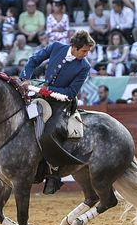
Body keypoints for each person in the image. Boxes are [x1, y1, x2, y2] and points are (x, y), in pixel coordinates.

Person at [20, 30, 95, 194]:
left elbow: (70, 93)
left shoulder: (84, 66)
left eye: (88, 51)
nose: (86, 54)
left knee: (50, 132)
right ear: (74, 47)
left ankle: (53, 174)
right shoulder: (56, 47)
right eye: (84, 50)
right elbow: (34, 59)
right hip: (41, 92)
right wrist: (26, 77)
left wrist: (46, 89)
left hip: (62, 104)